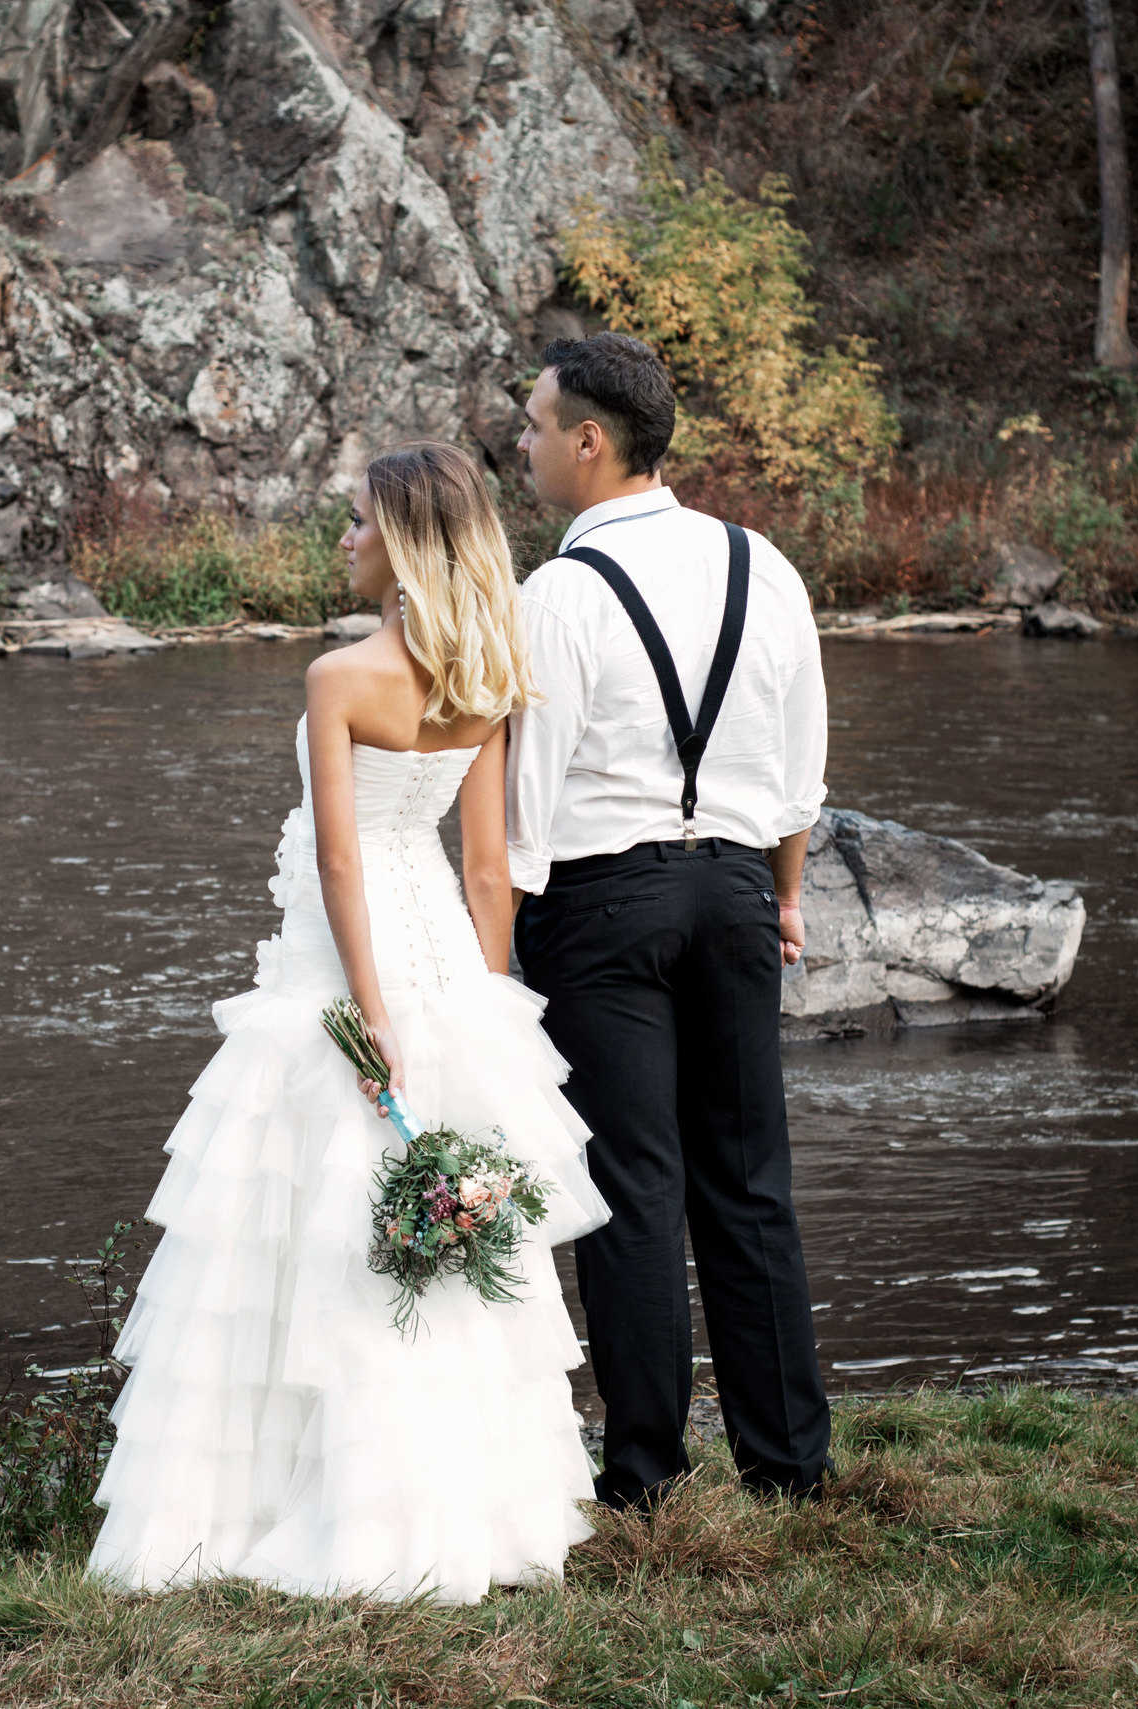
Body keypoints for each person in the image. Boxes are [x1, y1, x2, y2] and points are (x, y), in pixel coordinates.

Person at [88, 442, 612, 1603]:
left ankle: (302, 1511)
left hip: (355, 959)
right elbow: (486, 870)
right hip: (445, 958)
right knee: (438, 1225)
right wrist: (474, 1009)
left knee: (316, 1218)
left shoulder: (341, 676)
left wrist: (367, 1017)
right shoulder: (486, 672)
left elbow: (338, 859)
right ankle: (472, 1506)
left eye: (358, 522)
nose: (344, 539)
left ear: (407, 541)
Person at [505, 331, 834, 1506]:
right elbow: (800, 771)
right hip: (739, 888)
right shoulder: (765, 565)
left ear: (590, 443)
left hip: (601, 901)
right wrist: (783, 895)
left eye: (537, 425)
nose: (526, 443)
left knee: (632, 1185)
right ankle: (787, 1464)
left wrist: (493, 960)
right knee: (749, 1181)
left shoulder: (560, 591)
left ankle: (644, 1473)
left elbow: (523, 803)